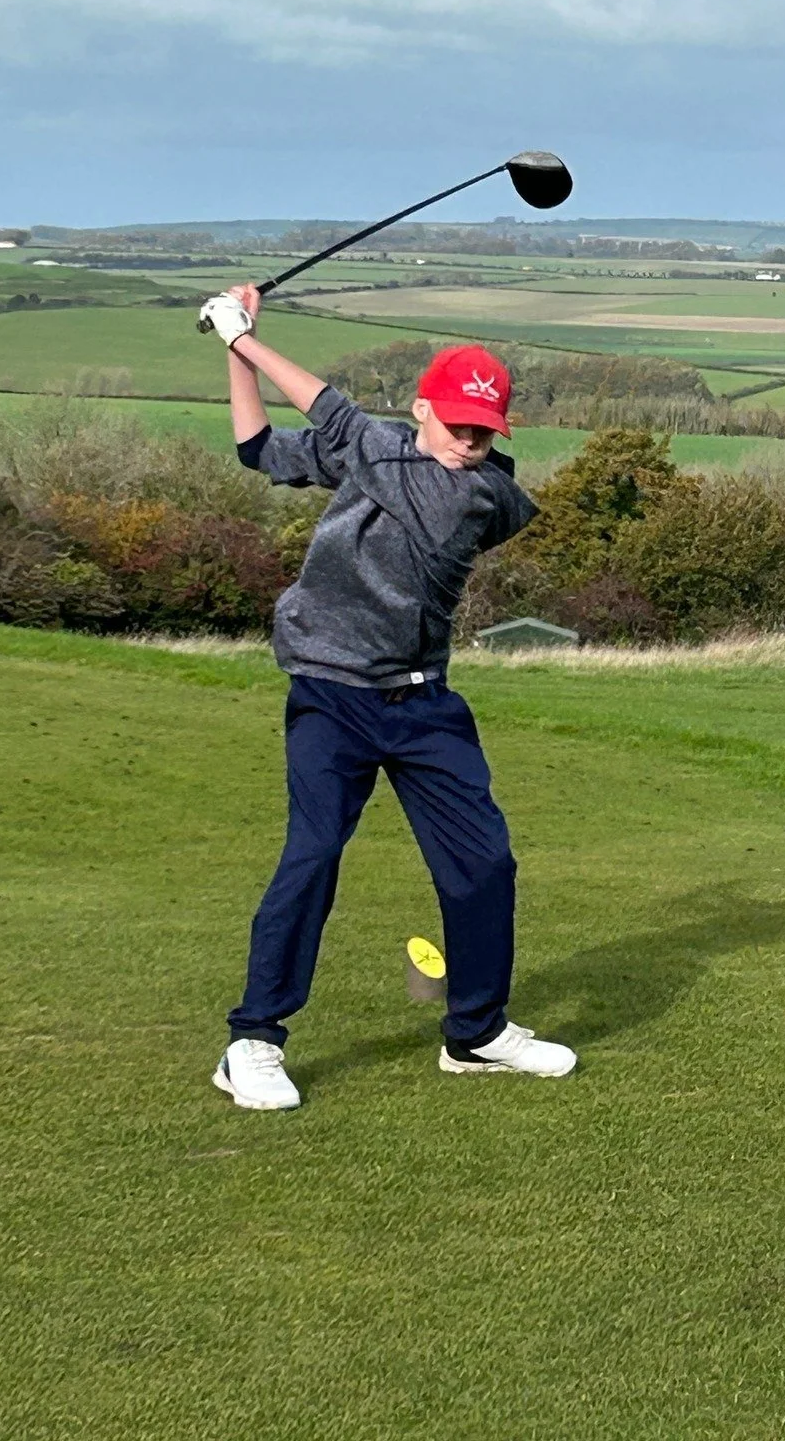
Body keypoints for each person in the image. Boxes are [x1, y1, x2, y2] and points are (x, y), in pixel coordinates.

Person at [199, 284, 575, 1111]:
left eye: (486, 431)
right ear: (422, 411)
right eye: (457, 425)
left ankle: (475, 1033)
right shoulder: (387, 454)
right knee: (315, 852)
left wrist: (245, 335)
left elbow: (338, 420)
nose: (470, 443)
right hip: (331, 691)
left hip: (422, 702)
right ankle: (253, 1041)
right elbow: (258, 446)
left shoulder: (474, 495)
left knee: (484, 863)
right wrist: (235, 349)